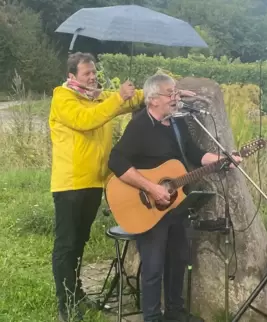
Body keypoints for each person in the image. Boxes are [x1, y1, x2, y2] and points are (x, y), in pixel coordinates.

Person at [48, 52, 195, 322]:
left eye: (94, 72)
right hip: (69, 183)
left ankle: (78, 293)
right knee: (66, 244)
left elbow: (142, 97)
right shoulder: (63, 99)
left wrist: (172, 95)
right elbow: (86, 120)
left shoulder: (100, 97)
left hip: (97, 180)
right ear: (71, 76)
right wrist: (119, 97)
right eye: (86, 74)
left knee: (80, 241)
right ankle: (65, 303)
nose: (93, 77)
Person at [107, 73, 242, 322]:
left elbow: (195, 153)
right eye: (170, 94)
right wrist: (150, 187)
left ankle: (175, 312)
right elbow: (116, 160)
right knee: (153, 266)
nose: (175, 98)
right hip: (148, 207)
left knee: (178, 260)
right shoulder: (140, 125)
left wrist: (224, 160)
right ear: (153, 99)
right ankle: (152, 317)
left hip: (177, 204)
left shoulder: (179, 124)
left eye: (176, 93)